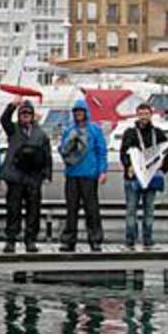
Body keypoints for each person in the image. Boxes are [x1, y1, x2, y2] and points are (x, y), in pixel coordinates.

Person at [0, 97, 53, 253]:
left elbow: (47, 155)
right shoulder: (12, 129)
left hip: (33, 178)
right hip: (15, 177)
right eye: (23, 113)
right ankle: (11, 240)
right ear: (19, 115)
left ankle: (31, 240)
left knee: (34, 211)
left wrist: (46, 174)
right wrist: (12, 105)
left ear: (33, 115)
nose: (26, 115)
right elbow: (4, 119)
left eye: (28, 113)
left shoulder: (41, 134)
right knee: (13, 210)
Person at [119, 103, 168, 249]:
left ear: (151, 115)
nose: (143, 116)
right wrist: (127, 166)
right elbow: (123, 152)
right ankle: (130, 241)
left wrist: (164, 169)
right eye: (141, 113)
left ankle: (148, 240)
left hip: (151, 177)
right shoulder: (130, 133)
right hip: (133, 178)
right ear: (137, 115)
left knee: (149, 210)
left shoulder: (158, 133)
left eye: (146, 113)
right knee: (131, 210)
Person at [58, 97, 109, 252]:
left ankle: (95, 239)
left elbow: (102, 152)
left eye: (81, 111)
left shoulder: (95, 130)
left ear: (86, 112)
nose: (79, 114)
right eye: (76, 112)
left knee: (91, 209)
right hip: (72, 174)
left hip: (89, 174)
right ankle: (69, 240)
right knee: (71, 209)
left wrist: (102, 171)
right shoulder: (68, 130)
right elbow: (62, 150)